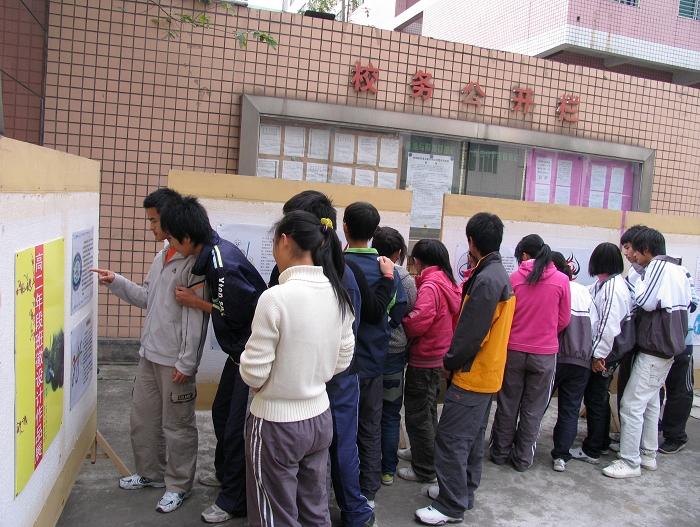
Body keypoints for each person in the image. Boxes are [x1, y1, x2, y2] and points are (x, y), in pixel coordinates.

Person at [91, 188, 210, 513]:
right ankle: (151, 474)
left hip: (175, 362)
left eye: (155, 220)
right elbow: (147, 297)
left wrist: (187, 362)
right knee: (143, 421)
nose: (151, 226)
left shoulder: (193, 261)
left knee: (177, 426)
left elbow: (195, 317)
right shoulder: (163, 256)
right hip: (149, 355)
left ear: (172, 220)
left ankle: (179, 486)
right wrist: (116, 281)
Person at [240, 211, 355, 527]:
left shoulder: (275, 298)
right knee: (314, 509)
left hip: (276, 424)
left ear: (285, 240)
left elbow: (253, 373)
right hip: (320, 418)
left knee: (274, 515)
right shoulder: (338, 294)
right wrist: (312, 375)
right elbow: (343, 359)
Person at [269, 190, 377, 527]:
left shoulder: (322, 275)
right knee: (329, 448)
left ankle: (338, 511)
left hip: (321, 377)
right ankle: (342, 511)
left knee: (324, 449)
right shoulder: (339, 271)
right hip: (329, 375)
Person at [159, 196, 268, 522]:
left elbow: (242, 315)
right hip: (237, 356)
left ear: (187, 237)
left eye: (171, 238)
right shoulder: (214, 253)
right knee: (221, 414)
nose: (169, 244)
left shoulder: (222, 267)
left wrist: (196, 302)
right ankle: (225, 474)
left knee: (236, 431)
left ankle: (234, 500)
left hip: (248, 356)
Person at [414, 212, 515, 526]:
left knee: (450, 439)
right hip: (487, 374)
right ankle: (462, 492)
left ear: (472, 241)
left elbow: (471, 334)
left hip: (473, 376)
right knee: (469, 440)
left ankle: (451, 505)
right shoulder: (496, 273)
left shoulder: (487, 280)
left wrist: (449, 362)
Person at [603, 229, 691, 478]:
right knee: (650, 403)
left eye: (633, 248)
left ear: (647, 249)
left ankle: (630, 461)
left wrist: (635, 281)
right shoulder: (677, 269)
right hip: (664, 350)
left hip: (655, 349)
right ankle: (648, 454)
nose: (630, 254)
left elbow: (646, 301)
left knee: (631, 405)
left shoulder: (657, 268)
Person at [343, 202, 407, 507]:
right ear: (373, 232)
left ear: (344, 228)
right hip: (372, 363)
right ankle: (367, 492)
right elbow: (397, 309)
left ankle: (338, 488)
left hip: (337, 366)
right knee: (370, 427)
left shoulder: (333, 265)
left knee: (338, 428)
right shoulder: (386, 269)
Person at [489, 234, 571, 472]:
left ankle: (499, 452)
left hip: (513, 351)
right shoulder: (562, 280)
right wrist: (545, 334)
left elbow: (505, 315)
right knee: (533, 409)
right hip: (544, 355)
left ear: (524, 255)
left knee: (507, 404)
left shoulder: (514, 278)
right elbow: (564, 320)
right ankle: (523, 459)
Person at [398, 240, 461, 484]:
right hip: (438, 356)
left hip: (425, 357)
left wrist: (399, 323)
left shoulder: (431, 286)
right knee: (428, 412)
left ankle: (425, 469)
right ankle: (423, 453)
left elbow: (417, 322)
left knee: (417, 415)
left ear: (417, 260)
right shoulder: (446, 281)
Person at [569, 243, 634, 466]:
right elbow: (588, 293)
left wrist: (597, 356)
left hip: (607, 354)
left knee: (595, 398)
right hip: (609, 352)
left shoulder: (612, 289)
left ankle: (593, 449)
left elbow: (607, 326)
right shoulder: (605, 284)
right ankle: (603, 441)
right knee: (599, 397)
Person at [371, 227, 417, 488]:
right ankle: (388, 471)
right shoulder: (405, 278)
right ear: (399, 253)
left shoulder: (364, 270)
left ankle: (364, 467)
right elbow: (409, 307)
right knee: (390, 414)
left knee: (365, 411)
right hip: (394, 352)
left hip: (366, 350)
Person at [547, 252, 595, 472]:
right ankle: (561, 456)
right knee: (570, 409)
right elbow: (595, 325)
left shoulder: (555, 287)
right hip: (582, 360)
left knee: (538, 405)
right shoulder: (584, 291)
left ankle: (524, 446)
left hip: (556, 357)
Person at [658, 262, 698, 454]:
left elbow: (693, 303)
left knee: (680, 389)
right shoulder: (641, 272)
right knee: (653, 388)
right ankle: (654, 426)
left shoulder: (681, 272)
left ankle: (675, 436)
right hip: (658, 343)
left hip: (682, 341)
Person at [613, 224, 648, 431]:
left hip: (646, 345)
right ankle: (629, 436)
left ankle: (635, 442)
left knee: (637, 401)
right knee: (626, 389)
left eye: (627, 247)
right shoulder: (633, 274)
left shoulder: (655, 274)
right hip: (631, 342)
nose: (626, 253)